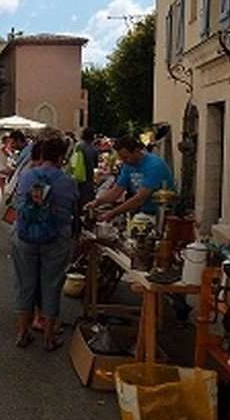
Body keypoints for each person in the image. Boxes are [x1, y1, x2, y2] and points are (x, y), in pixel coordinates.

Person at [11, 135, 78, 350]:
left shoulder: (27, 176)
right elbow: (74, 210)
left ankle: (22, 332)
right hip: (56, 238)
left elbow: (17, 203)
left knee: (25, 284)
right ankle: (49, 337)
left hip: (25, 237)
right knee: (51, 285)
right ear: (61, 157)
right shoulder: (67, 181)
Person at [87, 135, 175, 222]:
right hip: (143, 211)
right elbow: (116, 191)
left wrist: (113, 213)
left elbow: (140, 198)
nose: (123, 161)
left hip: (161, 214)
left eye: (126, 157)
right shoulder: (128, 165)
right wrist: (97, 202)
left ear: (137, 151)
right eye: (121, 158)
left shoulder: (154, 166)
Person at [71, 127, 100, 209]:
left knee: (77, 203)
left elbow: (73, 162)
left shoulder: (78, 147)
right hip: (89, 180)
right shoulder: (94, 149)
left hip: (78, 178)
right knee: (87, 204)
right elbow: (95, 165)